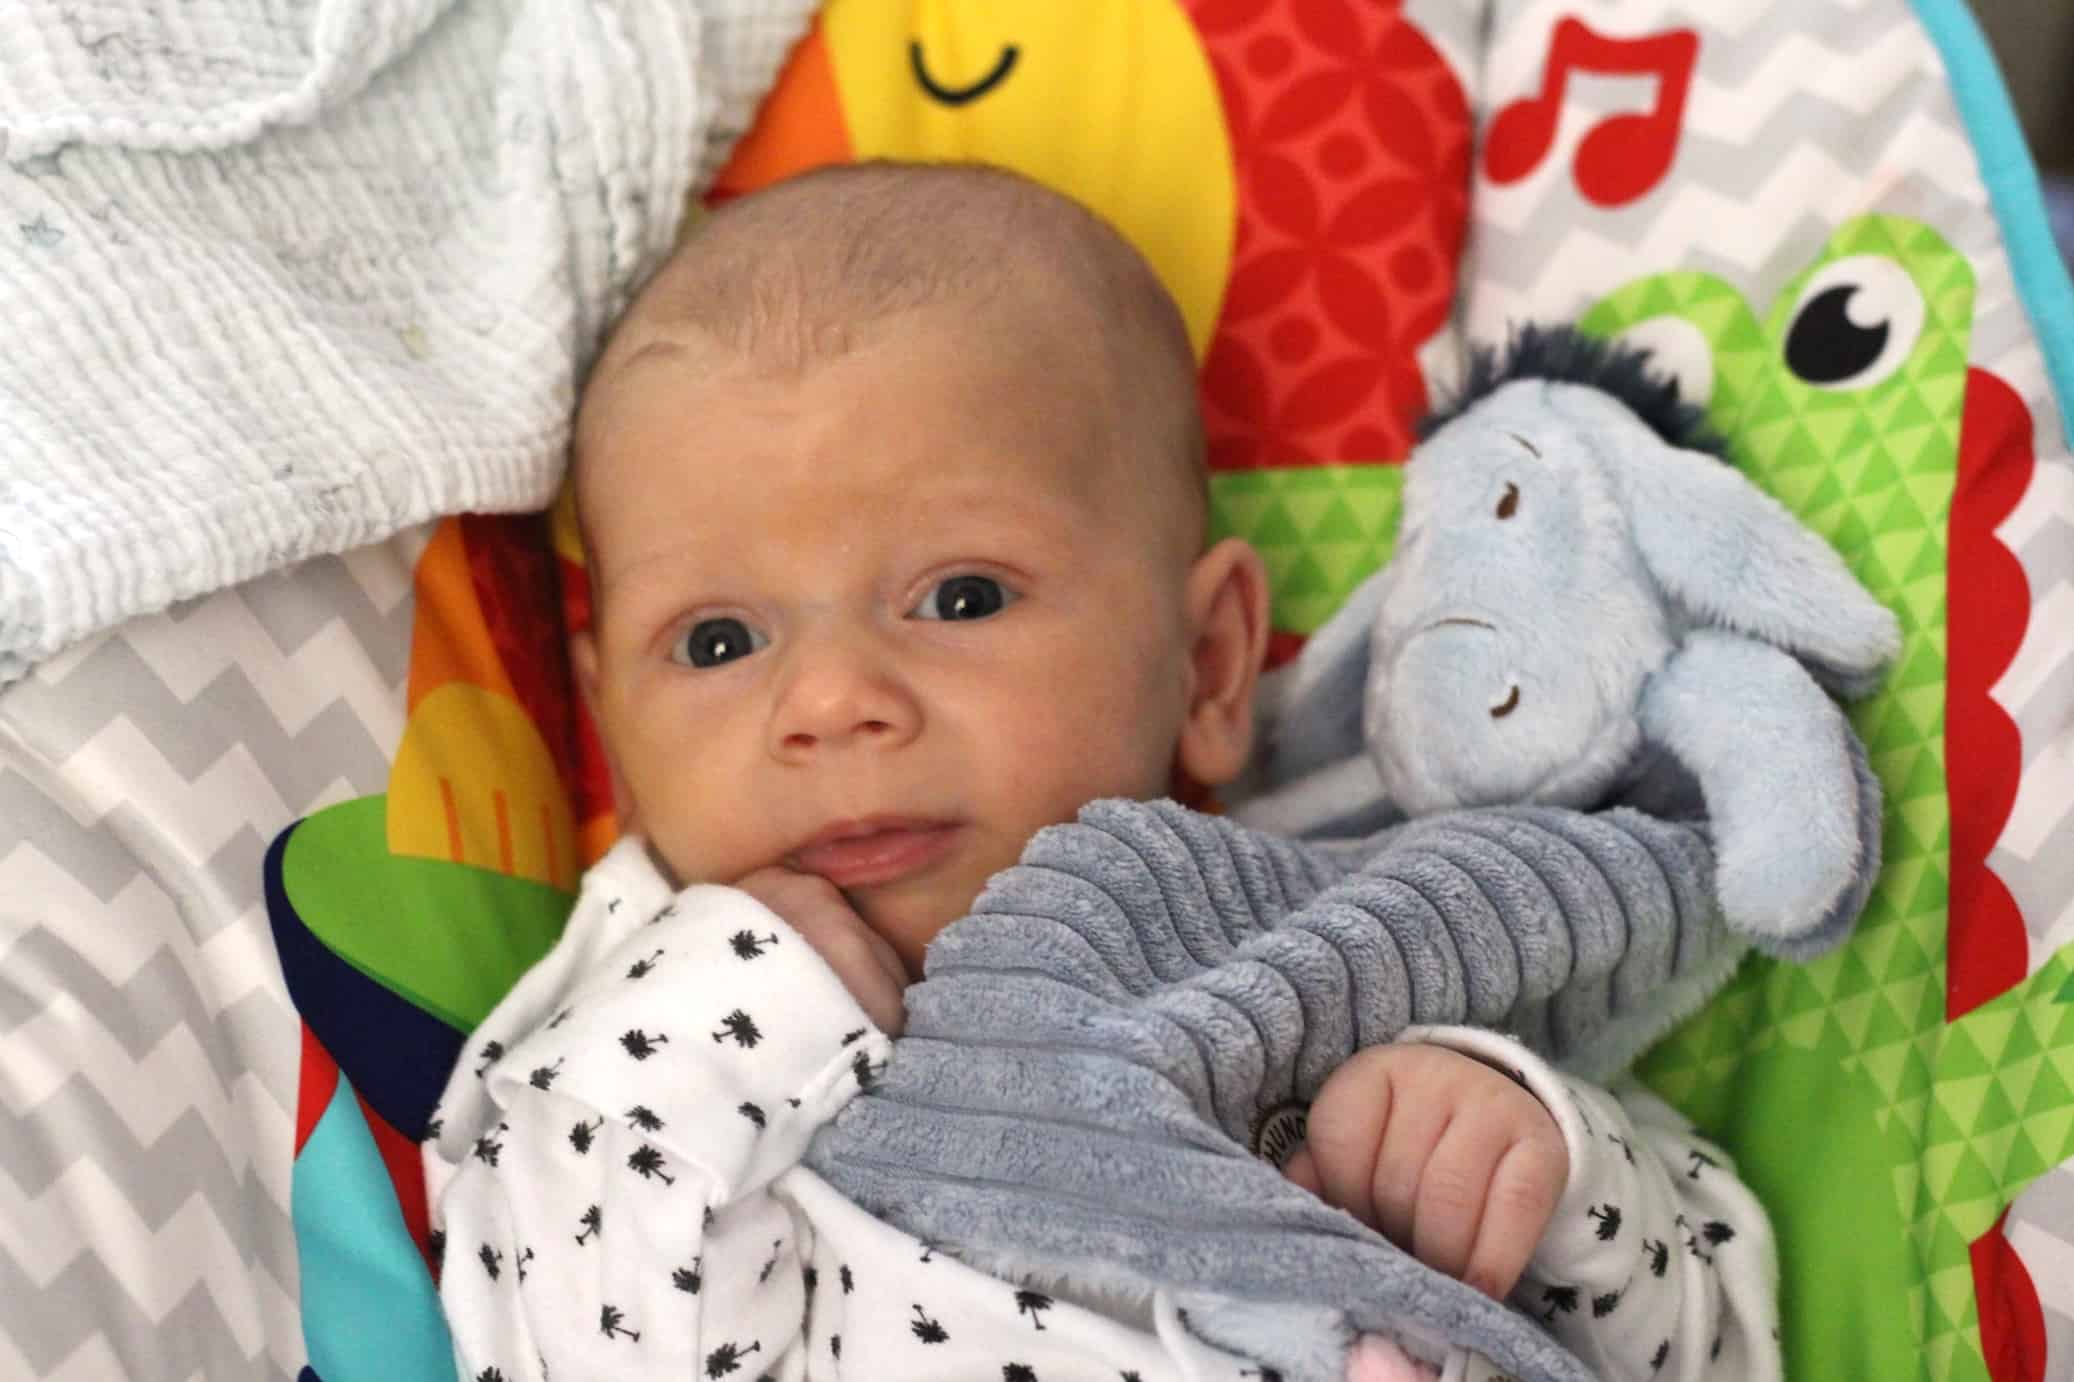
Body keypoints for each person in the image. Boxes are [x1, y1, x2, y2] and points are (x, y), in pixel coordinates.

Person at [424, 161, 1779, 1382]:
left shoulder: (1343, 934)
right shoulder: (630, 1051)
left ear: (1207, 667)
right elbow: (569, 1347)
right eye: (717, 641)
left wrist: (1538, 1162)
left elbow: (1721, 1335)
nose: (829, 701)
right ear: (614, 725)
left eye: (959, 597)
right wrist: (722, 1012)